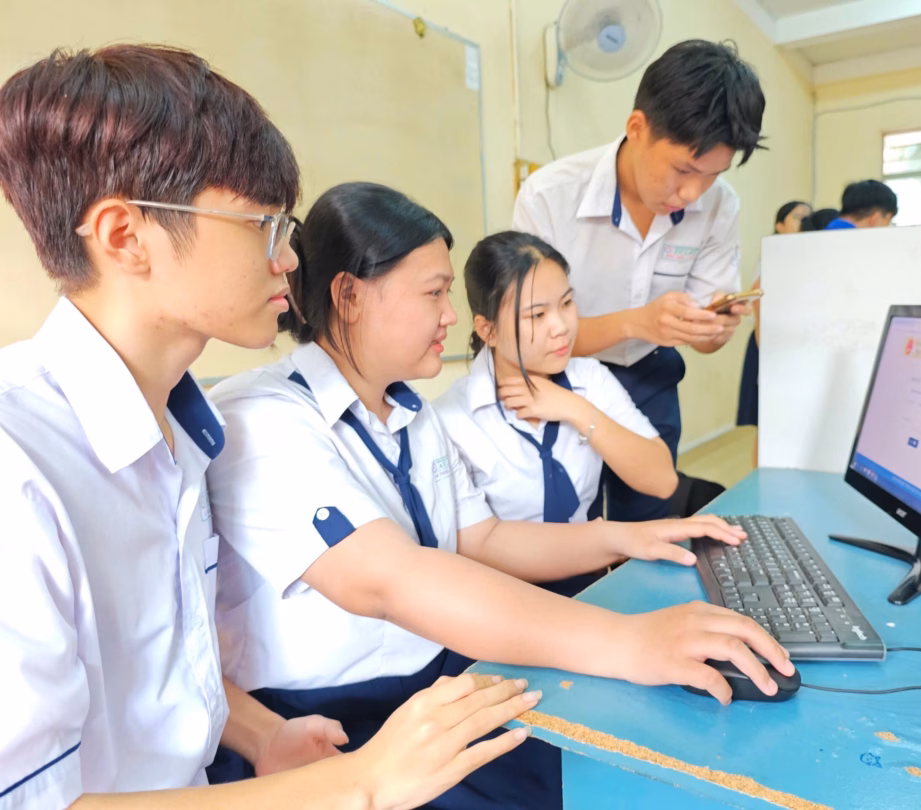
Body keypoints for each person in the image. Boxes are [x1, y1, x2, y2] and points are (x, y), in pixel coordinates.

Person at [0, 44, 538, 810]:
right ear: (124, 237)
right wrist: (361, 782)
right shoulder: (18, 466)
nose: (287, 259)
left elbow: (152, 672)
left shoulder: (181, 429)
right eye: (262, 225)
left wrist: (261, 735)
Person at [204, 181, 795, 808]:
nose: (451, 316)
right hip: (331, 720)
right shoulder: (264, 416)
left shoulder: (410, 411)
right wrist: (629, 640)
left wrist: (626, 537)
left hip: (441, 675)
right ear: (349, 296)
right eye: (433, 293)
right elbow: (389, 581)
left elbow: (482, 538)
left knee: (610, 755)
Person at [512, 40, 766, 523]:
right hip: (559, 375)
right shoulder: (549, 197)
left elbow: (707, 343)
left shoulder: (720, 205)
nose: (691, 192)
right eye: (683, 169)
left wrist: (712, 330)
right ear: (636, 128)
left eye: (712, 175)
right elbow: (528, 336)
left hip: (652, 376)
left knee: (652, 519)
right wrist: (637, 323)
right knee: (570, 524)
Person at [434, 231, 678, 596]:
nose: (561, 326)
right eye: (538, 314)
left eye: (566, 303)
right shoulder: (451, 419)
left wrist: (576, 409)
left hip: (593, 586)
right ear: (488, 330)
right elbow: (471, 548)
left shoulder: (590, 379)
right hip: (504, 600)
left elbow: (662, 480)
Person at [736, 201, 811, 432]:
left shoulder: (806, 255)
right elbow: (759, 301)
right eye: (798, 217)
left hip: (792, 344)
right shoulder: (772, 255)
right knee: (766, 423)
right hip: (768, 342)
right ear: (779, 225)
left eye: (808, 217)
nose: (804, 221)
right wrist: (765, 351)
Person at [824, 180, 897, 229]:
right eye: (888, 221)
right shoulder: (857, 243)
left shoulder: (825, 231)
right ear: (876, 218)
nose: (887, 227)